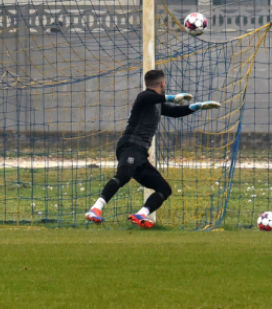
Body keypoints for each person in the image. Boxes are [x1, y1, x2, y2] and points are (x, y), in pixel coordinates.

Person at [85, 70, 220, 228]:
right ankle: (95, 209)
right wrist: (171, 97)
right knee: (123, 176)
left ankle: (141, 215)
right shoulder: (144, 97)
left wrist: (196, 107)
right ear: (162, 83)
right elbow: (150, 97)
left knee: (164, 189)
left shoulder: (156, 103)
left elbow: (174, 112)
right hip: (130, 145)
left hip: (140, 153)